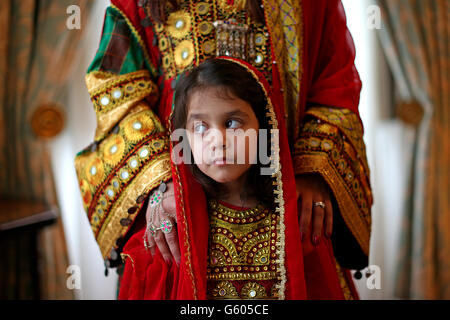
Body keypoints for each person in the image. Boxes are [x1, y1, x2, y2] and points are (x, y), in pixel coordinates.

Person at [75, 0, 372, 299]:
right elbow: (115, 92)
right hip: (174, 206)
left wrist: (314, 168)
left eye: (231, 124)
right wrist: (159, 182)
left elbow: (336, 84)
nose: (219, 139)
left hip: (289, 200)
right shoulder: (133, 4)